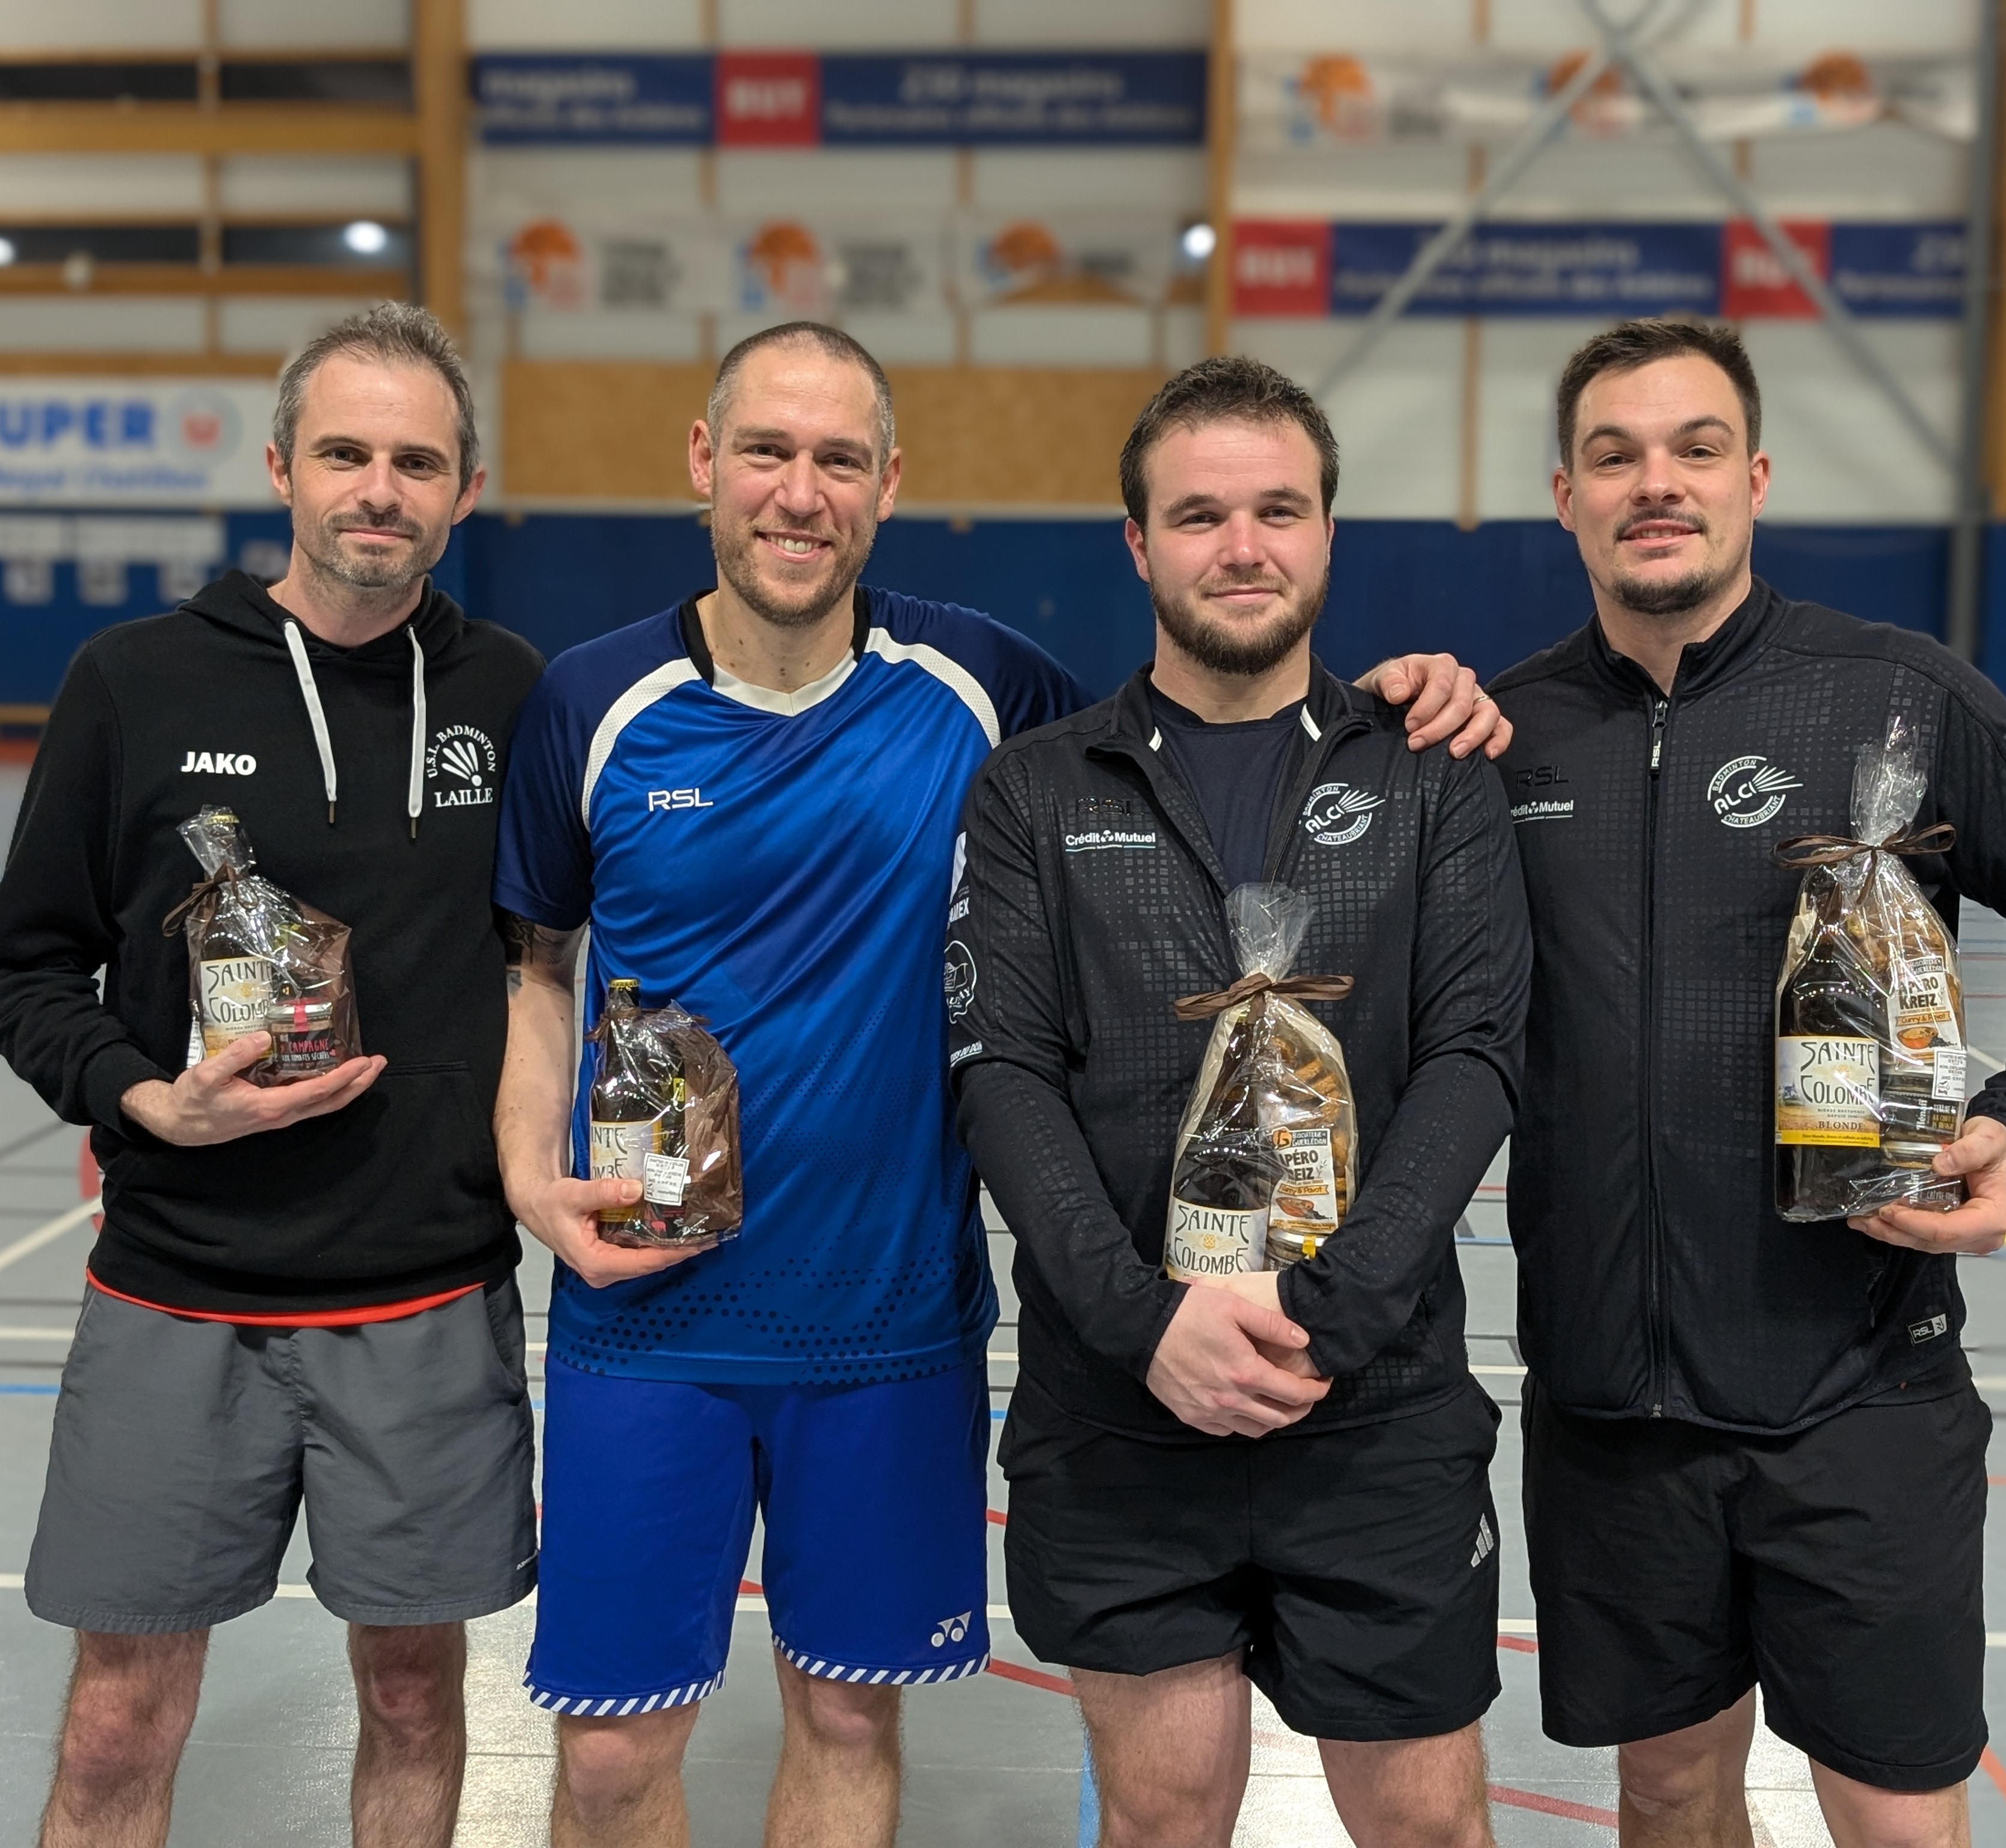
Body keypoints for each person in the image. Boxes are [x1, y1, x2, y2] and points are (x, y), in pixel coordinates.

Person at [489, 325, 1510, 1848]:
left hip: (891, 1324)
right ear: (704, 461)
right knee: (611, 1759)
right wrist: (527, 1175)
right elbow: (538, 967)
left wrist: (1397, 694)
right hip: (647, 1319)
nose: (800, 493)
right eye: (767, 451)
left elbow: (1211, 710)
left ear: (890, 483)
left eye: (840, 460)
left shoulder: (981, 685)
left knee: (849, 1716)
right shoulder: (592, 700)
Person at [1486, 317, 2006, 1847]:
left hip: (1862, 1384)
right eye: (1614, 456)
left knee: (1898, 1818)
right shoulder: (1507, 734)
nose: (1657, 483)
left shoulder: (1900, 694)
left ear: (1757, 478)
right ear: (1567, 497)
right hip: (1610, 1400)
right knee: (1668, 1791)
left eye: (1696, 448)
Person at [0, 303, 584, 1848]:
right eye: (346, 453)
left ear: (466, 487)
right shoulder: (136, 681)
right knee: (119, 1719)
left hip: (425, 1298)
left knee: (416, 1699)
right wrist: (141, 1096)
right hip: (178, 1290)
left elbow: (553, 962)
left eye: (417, 462)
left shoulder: (516, 694)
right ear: (281, 467)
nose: (380, 489)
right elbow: (21, 962)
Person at [946, 356, 1532, 1848]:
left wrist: (1329, 1315)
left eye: (1279, 510)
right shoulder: (1033, 791)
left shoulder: (1433, 774)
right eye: (1199, 515)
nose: (1243, 546)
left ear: (1330, 532)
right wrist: (1147, 1326)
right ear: (1139, 545)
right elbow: (1001, 1077)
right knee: (1160, 1821)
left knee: (1430, 1827)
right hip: (1123, 1414)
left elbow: (1475, 1056)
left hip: (1376, 1408)